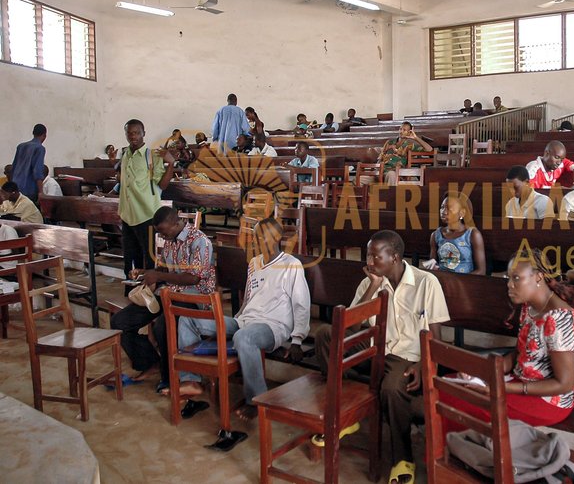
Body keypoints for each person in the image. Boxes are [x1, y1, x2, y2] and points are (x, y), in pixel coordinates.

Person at [313, 230, 450, 484]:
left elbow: (437, 337)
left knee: (391, 387)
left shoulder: (426, 282)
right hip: (375, 351)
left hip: (407, 357)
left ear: (395, 257)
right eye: (368, 255)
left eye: (376, 256)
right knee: (325, 335)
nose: (369, 261)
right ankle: (346, 413)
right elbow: (350, 328)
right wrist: (374, 286)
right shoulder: (370, 281)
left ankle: (402, 458)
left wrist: (424, 363)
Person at [178, 217, 309, 430]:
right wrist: (232, 321)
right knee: (188, 320)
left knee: (244, 337)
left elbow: (301, 304)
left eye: (262, 235)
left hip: (272, 326)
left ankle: (256, 400)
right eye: (255, 235)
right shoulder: (254, 263)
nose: (256, 239)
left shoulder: (291, 264)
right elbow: (249, 298)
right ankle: (192, 379)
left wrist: (297, 340)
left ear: (277, 237)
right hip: (244, 321)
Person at [439, 248, 574, 435]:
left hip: (548, 401)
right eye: (508, 278)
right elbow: (519, 355)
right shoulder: (529, 307)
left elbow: (564, 383)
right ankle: (458, 456)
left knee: (458, 398)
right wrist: (480, 372)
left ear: (538, 277)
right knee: (449, 384)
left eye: (516, 278)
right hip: (519, 382)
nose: (509, 285)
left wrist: (503, 387)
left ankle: (458, 458)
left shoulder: (559, 318)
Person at [110, 206, 215, 391]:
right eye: (159, 232)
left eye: (163, 232)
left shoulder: (200, 241)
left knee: (162, 325)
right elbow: (166, 270)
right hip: (167, 293)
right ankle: (151, 362)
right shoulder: (170, 239)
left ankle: (169, 377)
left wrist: (159, 277)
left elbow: (194, 278)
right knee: (120, 321)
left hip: (194, 297)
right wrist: (146, 273)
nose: (162, 237)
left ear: (176, 223)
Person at [118, 119, 174, 277]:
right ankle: (132, 290)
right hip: (127, 213)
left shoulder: (152, 156)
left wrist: (171, 164)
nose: (133, 136)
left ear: (144, 134)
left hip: (146, 213)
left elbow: (162, 185)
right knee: (130, 255)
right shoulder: (125, 154)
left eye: (136, 132)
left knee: (149, 256)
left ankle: (149, 292)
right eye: (129, 133)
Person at [425, 193, 486, 275]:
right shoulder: (435, 235)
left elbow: (481, 271)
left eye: (449, 208)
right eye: (442, 207)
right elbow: (432, 265)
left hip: (466, 281)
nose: (444, 211)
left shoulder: (473, 234)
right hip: (443, 279)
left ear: (462, 213)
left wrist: (458, 281)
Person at [11, 123, 47, 202]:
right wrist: (41, 192)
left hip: (15, 187)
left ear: (33, 133)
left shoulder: (21, 146)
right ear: (44, 135)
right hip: (29, 189)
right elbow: (37, 172)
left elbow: (13, 168)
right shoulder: (40, 148)